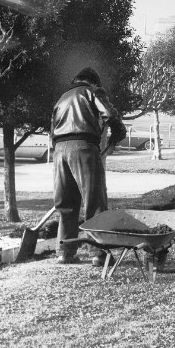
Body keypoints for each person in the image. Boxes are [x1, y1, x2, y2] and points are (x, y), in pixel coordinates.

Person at [51, 67, 126, 266]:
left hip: (59, 151)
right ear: (93, 82)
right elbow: (108, 113)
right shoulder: (92, 92)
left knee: (66, 204)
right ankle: (98, 254)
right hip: (83, 147)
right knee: (94, 201)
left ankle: (64, 252)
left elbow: (52, 129)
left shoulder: (62, 98)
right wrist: (118, 130)